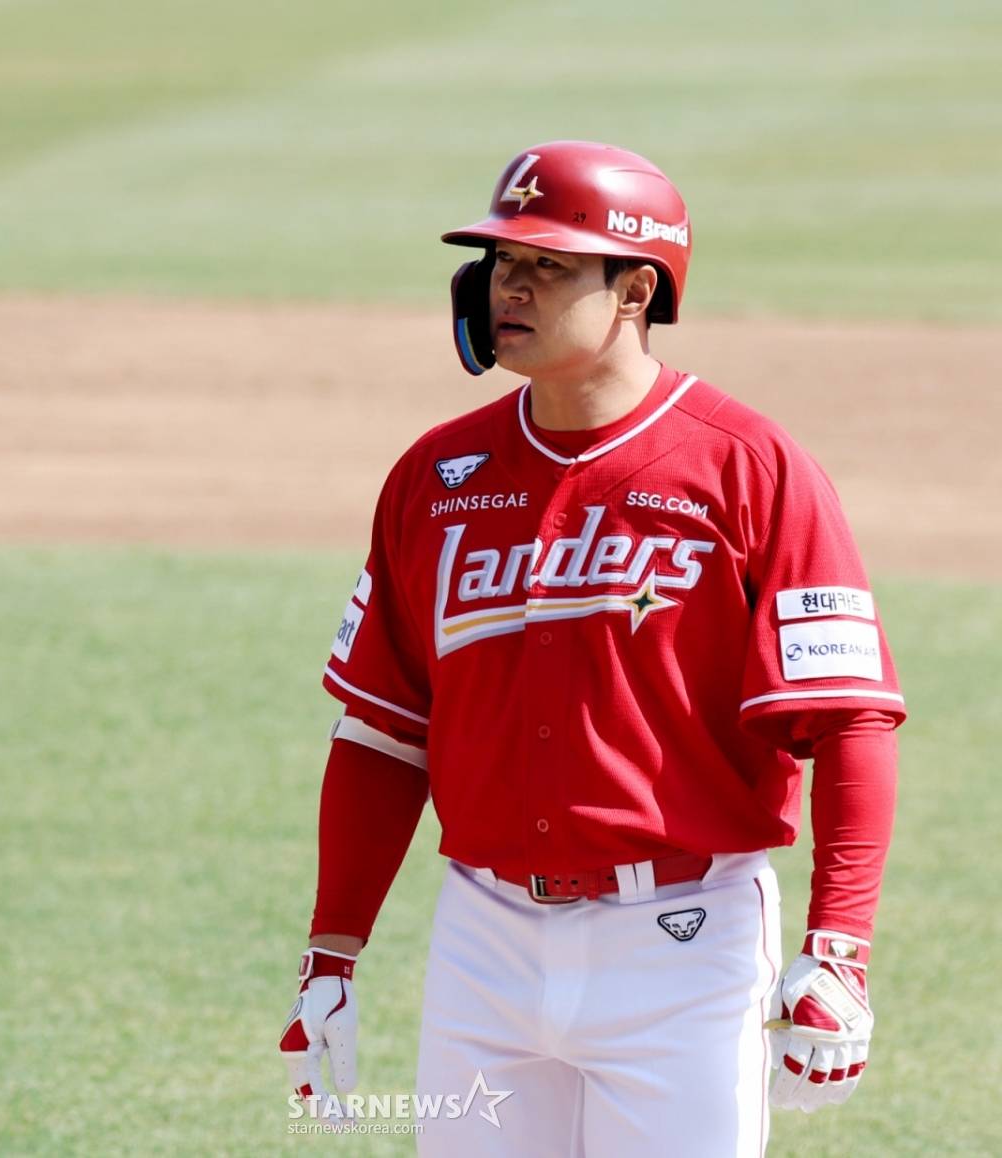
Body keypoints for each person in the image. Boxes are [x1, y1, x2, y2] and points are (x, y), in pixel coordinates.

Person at [279, 141, 903, 1157]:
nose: (507, 288)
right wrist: (331, 953)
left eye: (548, 266)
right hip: (481, 940)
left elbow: (849, 718)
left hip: (683, 942)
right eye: (500, 263)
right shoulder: (436, 478)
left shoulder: (747, 468)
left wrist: (838, 952)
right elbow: (384, 733)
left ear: (636, 290)